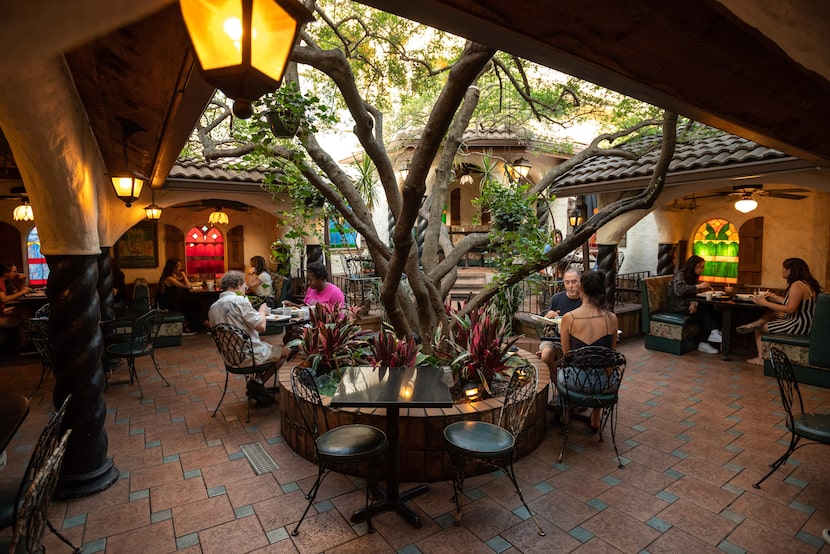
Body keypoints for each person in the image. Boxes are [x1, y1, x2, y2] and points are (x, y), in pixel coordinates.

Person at [208, 270, 289, 405]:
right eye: (244, 285)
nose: (246, 288)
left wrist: (252, 338)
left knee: (266, 345)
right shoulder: (239, 301)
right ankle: (258, 383)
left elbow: (230, 331)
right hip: (249, 356)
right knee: (285, 351)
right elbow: (261, 326)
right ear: (239, 284)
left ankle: (256, 384)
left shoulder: (213, 307)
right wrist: (262, 310)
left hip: (230, 358)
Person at [558, 270, 619, 430]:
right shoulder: (612, 318)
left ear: (581, 289)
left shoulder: (569, 318)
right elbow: (610, 358)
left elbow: (566, 357)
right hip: (604, 385)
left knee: (561, 372)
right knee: (604, 369)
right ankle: (596, 416)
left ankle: (565, 411)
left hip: (575, 382)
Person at [737, 257, 821, 365]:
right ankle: (756, 323)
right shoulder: (807, 283)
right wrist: (775, 297)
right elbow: (792, 302)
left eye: (783, 268)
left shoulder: (797, 285)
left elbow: (790, 309)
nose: (782, 271)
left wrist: (765, 303)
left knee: (759, 330)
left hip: (798, 324)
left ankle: (761, 359)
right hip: (806, 322)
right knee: (773, 313)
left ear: (790, 270)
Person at [536, 268, 582, 387]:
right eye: (567, 282)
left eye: (574, 282)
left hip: (578, 342)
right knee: (545, 355)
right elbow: (544, 322)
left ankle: (574, 389)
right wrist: (548, 316)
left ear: (581, 282)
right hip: (556, 340)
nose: (570, 286)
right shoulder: (557, 298)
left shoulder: (585, 301)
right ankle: (559, 387)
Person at [667, 255, 722, 354]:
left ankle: (710, 336)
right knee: (705, 310)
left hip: (685, 305)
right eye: (700, 267)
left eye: (702, 267)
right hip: (677, 307)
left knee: (712, 309)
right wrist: (699, 286)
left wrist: (694, 301)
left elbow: (692, 294)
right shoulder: (681, 275)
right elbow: (679, 291)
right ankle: (707, 338)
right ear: (692, 266)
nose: (702, 269)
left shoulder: (692, 276)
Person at [157, 258, 199, 335]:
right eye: (179, 266)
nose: (181, 268)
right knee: (191, 307)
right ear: (173, 268)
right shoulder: (169, 278)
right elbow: (188, 286)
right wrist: (183, 273)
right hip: (167, 305)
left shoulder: (172, 276)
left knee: (194, 304)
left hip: (171, 302)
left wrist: (190, 276)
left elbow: (180, 279)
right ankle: (187, 328)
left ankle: (192, 325)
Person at [0, 263, 32, 350]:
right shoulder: (0, 282)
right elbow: (4, 299)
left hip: (2, 311)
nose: (17, 273)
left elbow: (17, 293)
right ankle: (25, 345)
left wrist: (22, 281)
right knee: (24, 319)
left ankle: (26, 344)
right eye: (14, 271)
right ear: (6, 273)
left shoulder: (6, 282)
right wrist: (23, 292)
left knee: (25, 311)